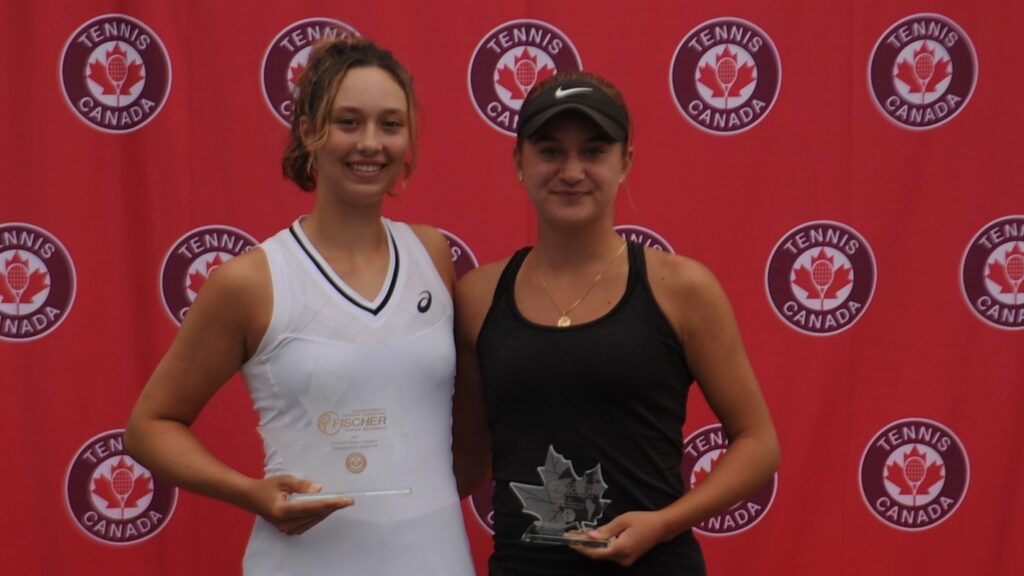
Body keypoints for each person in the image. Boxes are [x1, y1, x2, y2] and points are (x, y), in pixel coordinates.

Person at [125, 39, 474, 575]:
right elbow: (150, 426)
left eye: (390, 124)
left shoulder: (431, 253)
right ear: (310, 130)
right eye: (348, 121)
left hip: (436, 555)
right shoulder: (254, 280)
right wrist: (249, 492)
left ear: (409, 140)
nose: (370, 143)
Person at [452, 70, 780, 574]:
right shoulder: (477, 296)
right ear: (519, 162)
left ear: (625, 162)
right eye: (550, 151)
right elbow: (466, 462)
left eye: (594, 151)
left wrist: (665, 522)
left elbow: (758, 444)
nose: (572, 171)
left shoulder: (682, 289)